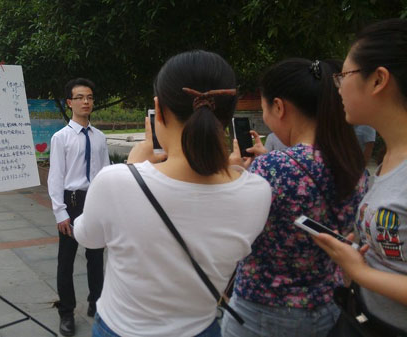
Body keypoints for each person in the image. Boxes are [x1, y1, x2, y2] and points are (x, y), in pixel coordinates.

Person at [74, 50, 272, 337]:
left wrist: (132, 167)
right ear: (229, 114)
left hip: (120, 329)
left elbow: (87, 236)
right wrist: (237, 172)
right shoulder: (257, 191)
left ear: (159, 109)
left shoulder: (117, 182)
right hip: (201, 329)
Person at [223, 59, 367, 337]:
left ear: (279, 107)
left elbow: (236, 233)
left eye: (264, 109)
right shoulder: (352, 164)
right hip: (327, 307)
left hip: (263, 312)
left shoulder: (271, 168)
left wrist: (234, 175)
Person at [314, 18, 407, 335]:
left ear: (378, 80)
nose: (338, 87)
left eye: (344, 75)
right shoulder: (389, 157)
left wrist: (359, 271)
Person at [47, 78, 110, 336]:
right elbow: (55, 177)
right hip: (71, 204)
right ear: (69, 102)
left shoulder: (100, 137)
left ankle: (97, 303)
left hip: (95, 203)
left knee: (96, 258)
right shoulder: (60, 138)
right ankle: (66, 312)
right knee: (66, 261)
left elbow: (106, 173)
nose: (86, 102)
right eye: (81, 97)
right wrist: (60, 211)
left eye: (90, 97)